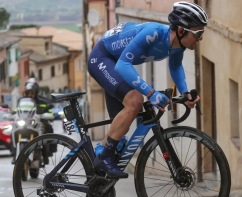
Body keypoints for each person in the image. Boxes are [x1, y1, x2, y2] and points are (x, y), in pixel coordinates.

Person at [87, 1, 207, 179]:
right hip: (103, 58)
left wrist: (185, 93)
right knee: (135, 101)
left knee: (119, 134)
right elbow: (122, 66)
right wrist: (150, 93)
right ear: (181, 31)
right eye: (198, 33)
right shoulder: (154, 33)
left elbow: (175, 68)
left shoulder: (177, 46)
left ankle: (96, 176)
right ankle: (104, 158)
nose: (200, 38)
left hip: (113, 63)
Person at [11, 78, 55, 164]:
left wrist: (48, 114)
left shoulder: (42, 101)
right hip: (24, 122)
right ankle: (14, 155)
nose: (30, 95)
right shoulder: (21, 101)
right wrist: (12, 113)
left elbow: (49, 111)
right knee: (12, 130)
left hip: (38, 122)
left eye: (32, 93)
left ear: (36, 93)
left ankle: (46, 154)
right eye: (28, 93)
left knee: (48, 129)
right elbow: (17, 110)